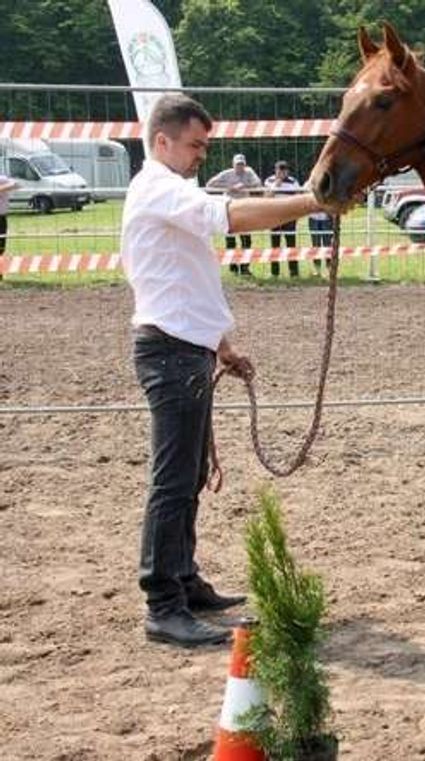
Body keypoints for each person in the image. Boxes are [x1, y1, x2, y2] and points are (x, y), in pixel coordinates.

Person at [122, 93, 329, 647]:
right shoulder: (160, 189)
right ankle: (163, 603)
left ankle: (183, 583)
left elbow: (186, 281)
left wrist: (221, 345)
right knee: (172, 481)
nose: (200, 157)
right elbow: (230, 216)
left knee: (186, 476)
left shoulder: (170, 190)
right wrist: (312, 202)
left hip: (184, 347)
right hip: (170, 351)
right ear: (162, 140)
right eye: (194, 145)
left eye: (204, 146)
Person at [206, 153, 262, 276]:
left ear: (245, 165)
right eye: (238, 165)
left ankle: (245, 267)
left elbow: (258, 183)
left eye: (242, 164)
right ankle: (233, 266)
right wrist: (229, 187)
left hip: (245, 209)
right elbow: (210, 184)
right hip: (229, 209)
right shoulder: (227, 174)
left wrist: (244, 185)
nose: (240, 167)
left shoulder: (249, 172)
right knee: (230, 240)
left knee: (246, 241)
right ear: (233, 165)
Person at [264, 160, 303, 278]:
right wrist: (276, 185)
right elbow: (267, 197)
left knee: (291, 244)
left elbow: (298, 197)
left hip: (289, 216)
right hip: (274, 216)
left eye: (284, 170)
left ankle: (294, 272)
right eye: (279, 170)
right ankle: (274, 273)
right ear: (275, 171)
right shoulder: (269, 181)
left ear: (287, 171)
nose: (282, 172)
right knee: (275, 244)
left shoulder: (293, 181)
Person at [0, 171, 16, 281]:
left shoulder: (2, 179)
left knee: (1, 247)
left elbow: (16, 184)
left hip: (1, 218)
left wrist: (1, 189)